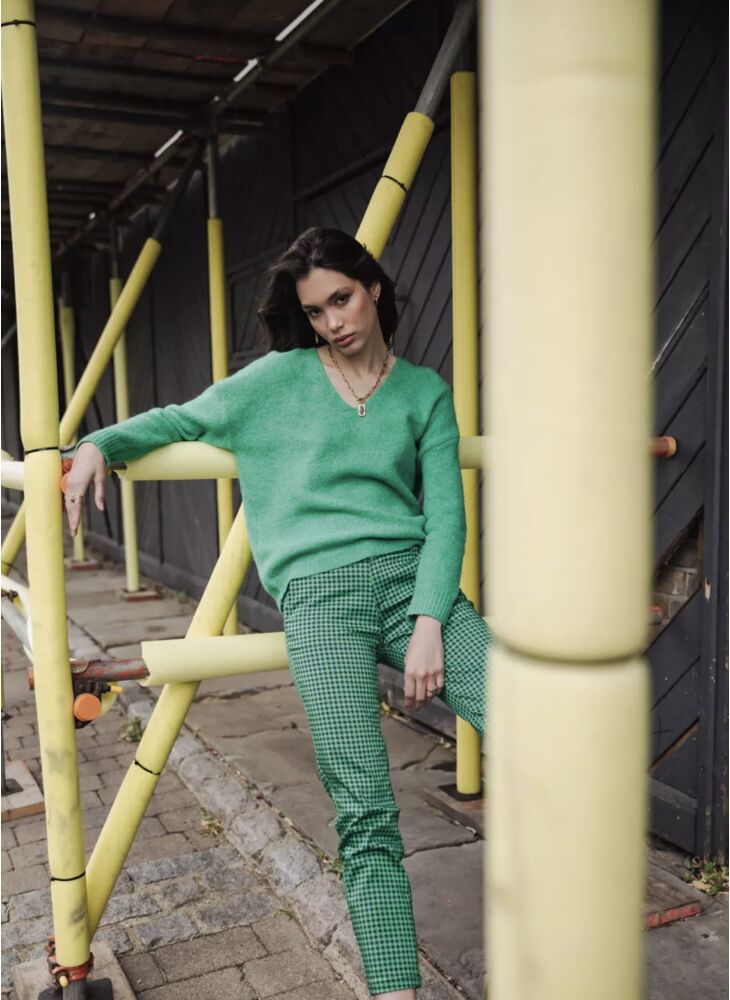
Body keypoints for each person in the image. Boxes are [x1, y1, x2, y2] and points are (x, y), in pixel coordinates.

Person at [66, 226, 492, 1000]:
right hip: (320, 599)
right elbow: (176, 420)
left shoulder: (424, 391)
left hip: (413, 586)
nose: (334, 321)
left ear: (373, 287)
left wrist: (431, 619)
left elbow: (447, 520)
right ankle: (396, 989)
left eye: (343, 299)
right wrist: (99, 443)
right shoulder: (272, 382)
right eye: (317, 311)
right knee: (364, 808)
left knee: (537, 721)